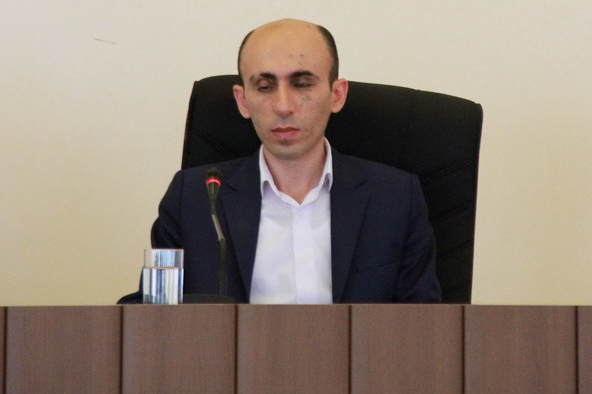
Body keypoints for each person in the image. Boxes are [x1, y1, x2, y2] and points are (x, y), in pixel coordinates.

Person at [119, 19, 441, 304]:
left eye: (301, 84)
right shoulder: (195, 198)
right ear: (243, 101)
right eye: (265, 87)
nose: (283, 106)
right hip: (232, 358)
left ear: (337, 95)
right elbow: (152, 318)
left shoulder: (395, 198)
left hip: (361, 357)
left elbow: (426, 326)